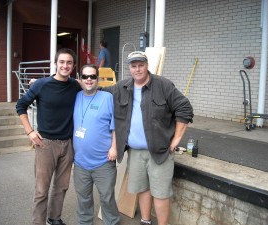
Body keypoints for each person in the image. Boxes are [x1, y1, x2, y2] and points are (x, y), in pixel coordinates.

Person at [104, 51, 194, 225]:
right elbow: (96, 90)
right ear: (129, 68)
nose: (137, 69)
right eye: (133, 66)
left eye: (141, 65)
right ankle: (145, 221)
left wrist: (176, 139)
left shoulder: (163, 85)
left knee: (160, 193)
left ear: (147, 66)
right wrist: (72, 82)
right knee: (142, 189)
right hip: (135, 152)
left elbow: (184, 108)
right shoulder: (121, 87)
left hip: (159, 152)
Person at [16, 48, 81, 225]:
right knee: (41, 189)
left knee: (61, 187)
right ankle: (38, 222)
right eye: (62, 62)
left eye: (69, 63)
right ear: (55, 63)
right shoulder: (41, 85)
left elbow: (88, 84)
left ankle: (54, 218)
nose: (65, 66)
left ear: (73, 65)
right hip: (46, 145)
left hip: (68, 144)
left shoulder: (75, 85)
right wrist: (30, 131)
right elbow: (21, 106)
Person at [72, 64, 120, 225]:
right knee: (83, 199)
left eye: (92, 76)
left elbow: (115, 126)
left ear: (97, 79)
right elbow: (58, 82)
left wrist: (114, 147)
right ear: (80, 79)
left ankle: (112, 222)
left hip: (103, 161)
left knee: (107, 198)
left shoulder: (107, 98)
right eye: (85, 76)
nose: (89, 79)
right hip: (80, 163)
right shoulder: (75, 96)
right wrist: (37, 81)